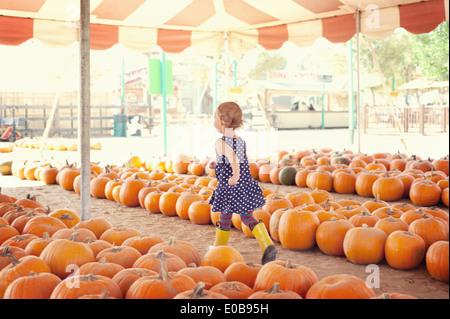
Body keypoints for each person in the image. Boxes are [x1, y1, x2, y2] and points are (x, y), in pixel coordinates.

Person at [208, 101, 277, 265]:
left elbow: (233, 161)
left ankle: (218, 250)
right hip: (244, 185)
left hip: (231, 186)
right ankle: (267, 243)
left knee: (224, 216)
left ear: (222, 121)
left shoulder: (220, 142)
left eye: (214, 118)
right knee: (247, 216)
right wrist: (217, 164)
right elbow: (236, 158)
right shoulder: (240, 140)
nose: (214, 122)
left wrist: (234, 177)